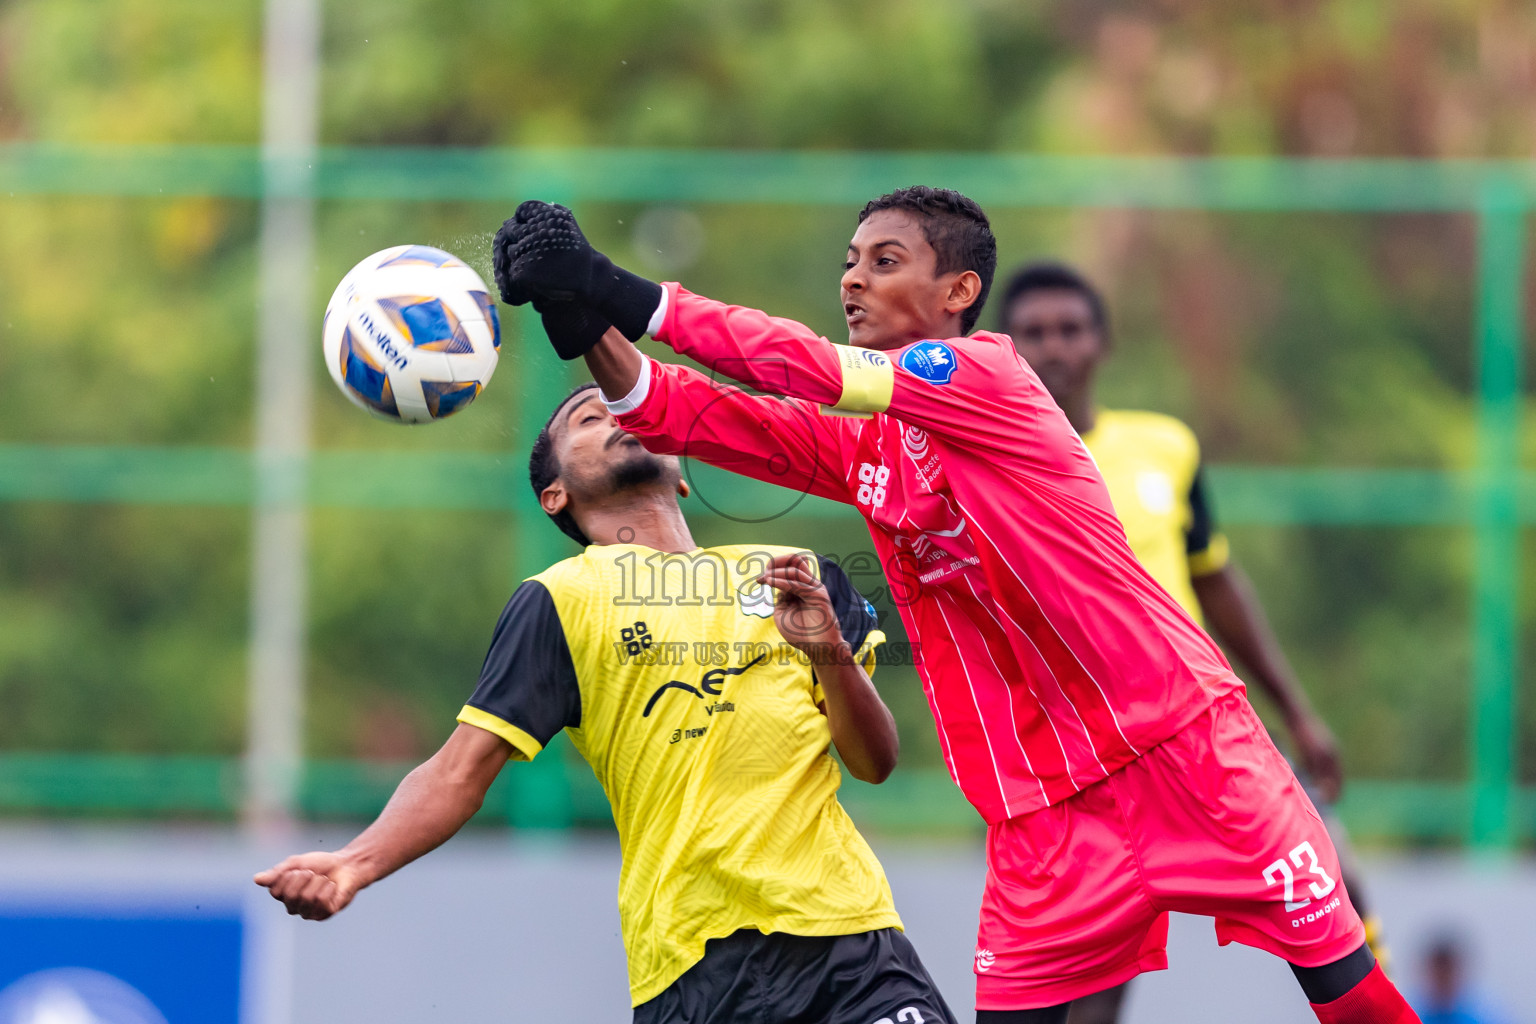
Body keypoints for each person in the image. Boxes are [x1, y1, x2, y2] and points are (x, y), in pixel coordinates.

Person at [490, 188, 1423, 1024]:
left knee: (1349, 998)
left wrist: (610, 281)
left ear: (958, 294)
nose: (854, 280)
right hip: (1041, 814)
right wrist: (584, 325)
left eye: (885, 262)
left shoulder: (986, 374)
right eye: (849, 263)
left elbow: (807, 369)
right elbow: (700, 416)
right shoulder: (873, 446)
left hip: (1186, 752)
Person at [254, 383, 959, 1024]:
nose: (621, 417)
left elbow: (875, 761)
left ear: (681, 475)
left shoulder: (792, 572)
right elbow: (456, 772)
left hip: (850, 943)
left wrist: (829, 648)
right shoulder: (561, 600)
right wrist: (356, 861)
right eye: (591, 418)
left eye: (632, 410)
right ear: (554, 494)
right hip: (694, 971)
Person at [999, 260, 1389, 1024]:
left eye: (1071, 329)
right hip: (1090, 758)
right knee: (1095, 984)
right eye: (1034, 332)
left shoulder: (1165, 447)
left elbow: (1216, 581)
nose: (1055, 347)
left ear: (1102, 343)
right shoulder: (991, 461)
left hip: (1207, 725)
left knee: (1334, 880)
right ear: (1004, 348)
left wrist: (1299, 713)